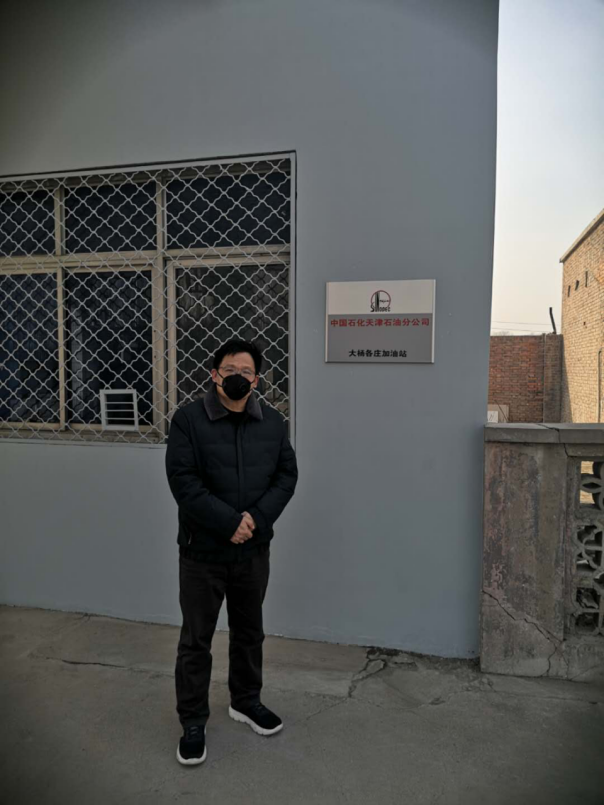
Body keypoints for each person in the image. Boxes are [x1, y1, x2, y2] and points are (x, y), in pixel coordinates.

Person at [165, 339, 298, 766]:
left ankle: (246, 701)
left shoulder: (273, 423)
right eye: (229, 369)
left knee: (249, 633)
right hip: (202, 554)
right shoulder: (188, 420)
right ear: (214, 374)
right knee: (196, 640)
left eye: (246, 371)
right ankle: (192, 721)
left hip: (253, 552)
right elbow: (184, 482)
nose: (237, 377)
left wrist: (255, 520)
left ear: (256, 380)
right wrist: (228, 523)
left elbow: (286, 476)